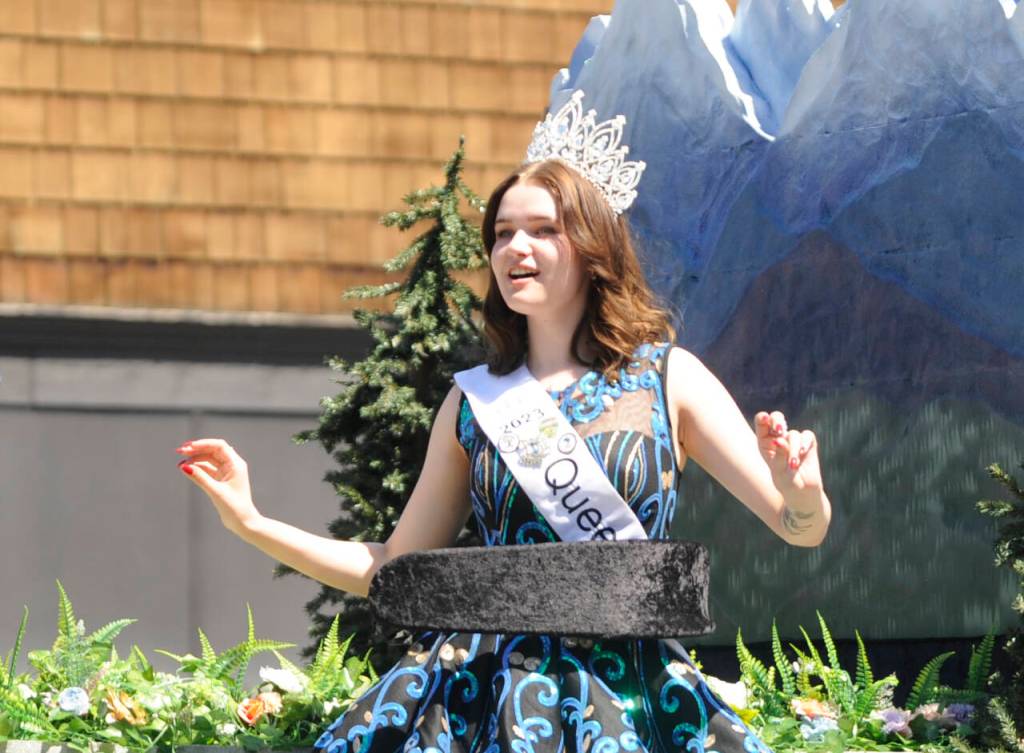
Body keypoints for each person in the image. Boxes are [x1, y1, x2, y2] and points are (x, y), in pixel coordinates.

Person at [175, 93, 831, 753]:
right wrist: (252, 522)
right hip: (484, 695)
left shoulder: (668, 379)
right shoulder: (472, 404)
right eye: (502, 233)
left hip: (629, 691)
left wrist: (802, 494)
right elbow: (394, 566)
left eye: (543, 230)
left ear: (593, 244)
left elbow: (797, 528)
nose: (516, 247)